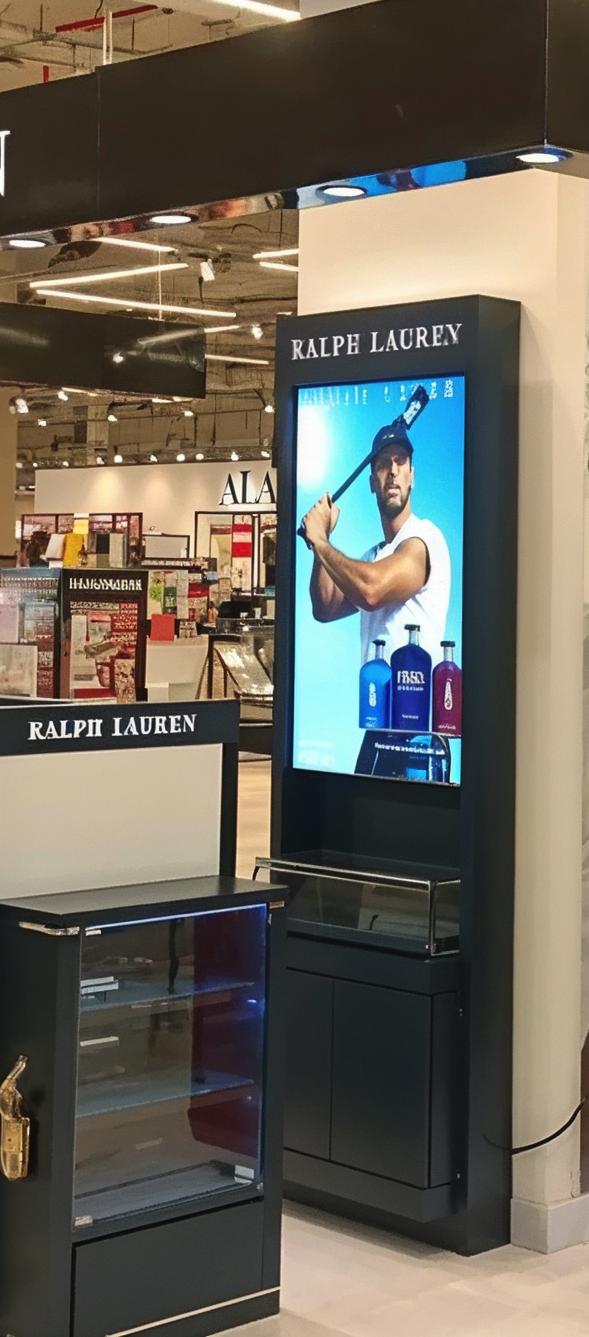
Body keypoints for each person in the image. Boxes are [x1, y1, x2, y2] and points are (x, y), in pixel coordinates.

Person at [302, 419, 451, 667]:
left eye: (400, 461)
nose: (393, 471)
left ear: (412, 477)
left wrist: (319, 540)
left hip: (413, 693)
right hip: (373, 691)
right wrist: (323, 538)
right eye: (383, 464)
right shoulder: (373, 558)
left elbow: (371, 591)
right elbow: (325, 608)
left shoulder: (425, 539)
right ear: (372, 482)